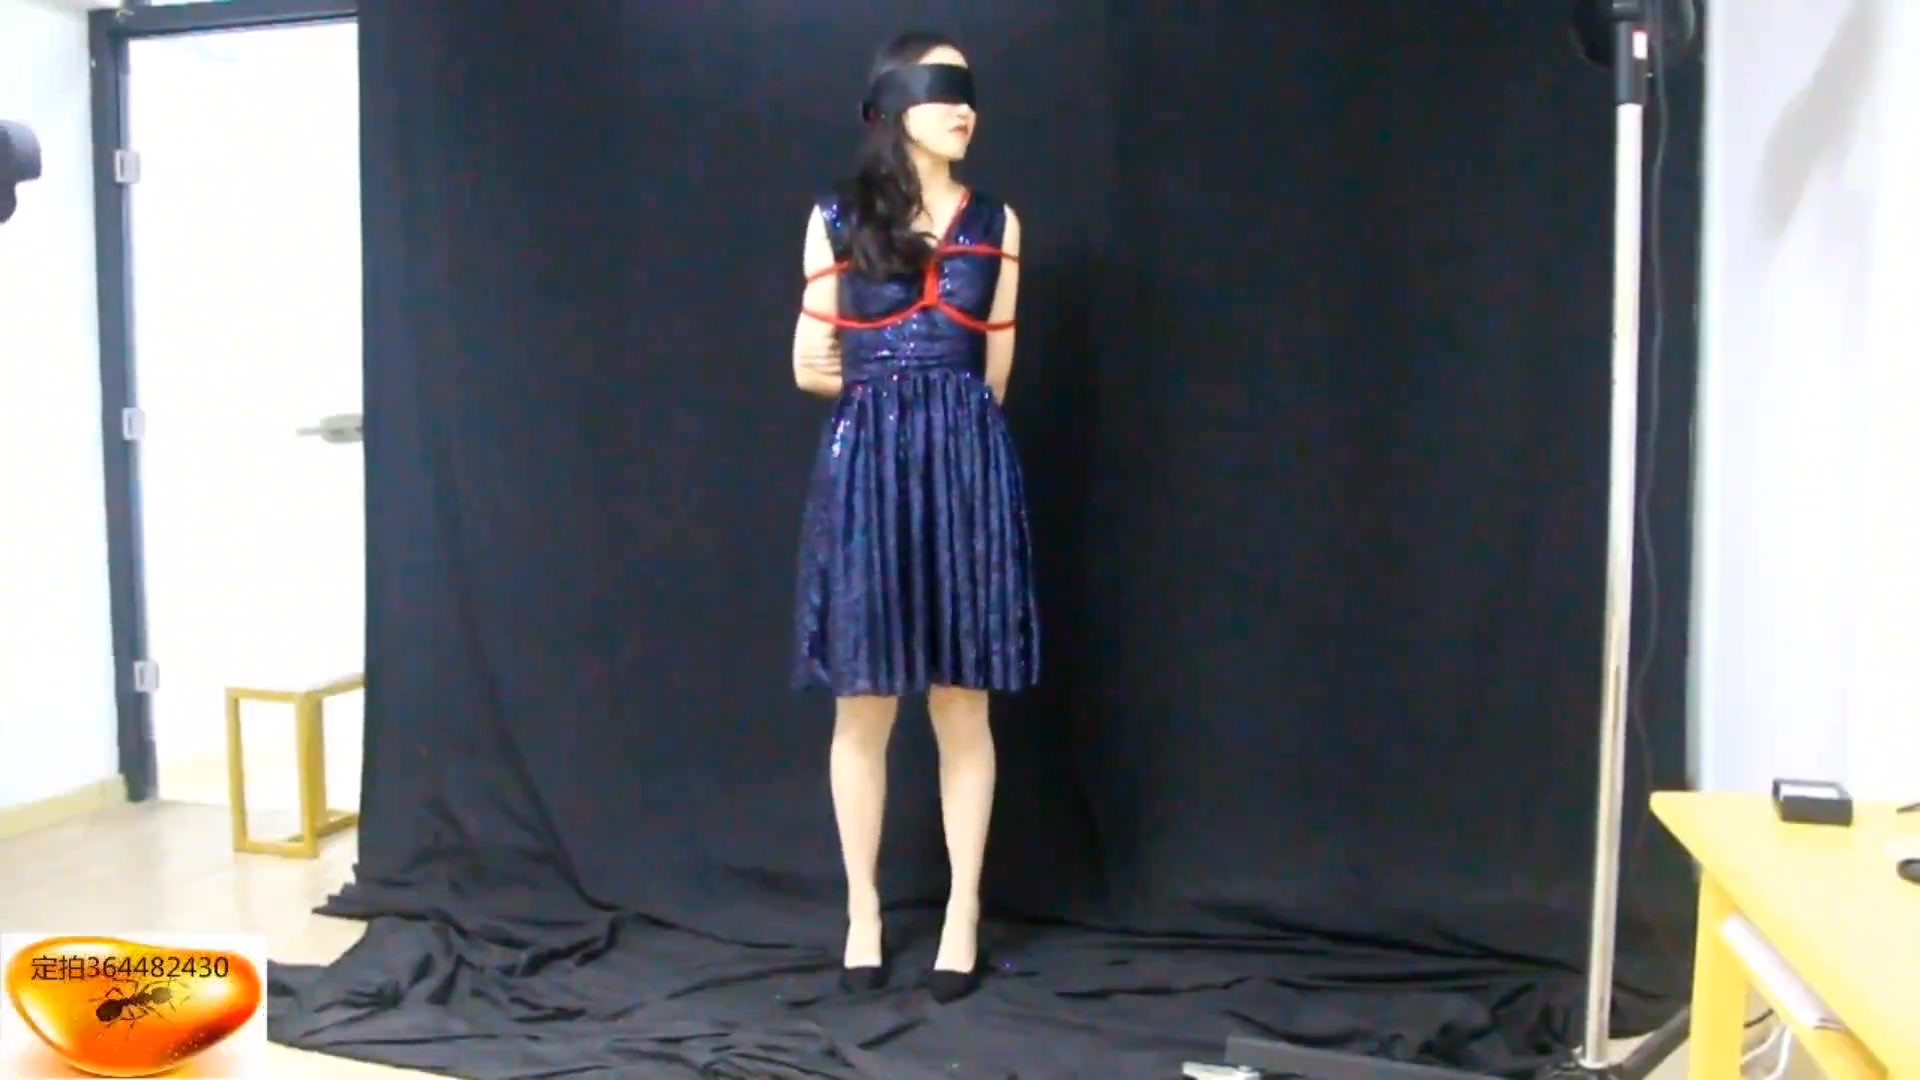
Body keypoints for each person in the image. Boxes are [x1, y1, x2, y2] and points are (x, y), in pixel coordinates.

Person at [788, 31, 1040, 1004]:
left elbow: (996, 371)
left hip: (966, 466)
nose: (965, 107)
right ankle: (862, 912)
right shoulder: (837, 217)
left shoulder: (999, 223)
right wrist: (887, 388)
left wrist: (943, 419)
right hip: (868, 471)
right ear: (895, 104)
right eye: (944, 90)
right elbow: (809, 360)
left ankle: (961, 914)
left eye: (969, 91)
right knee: (864, 701)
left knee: (961, 701)